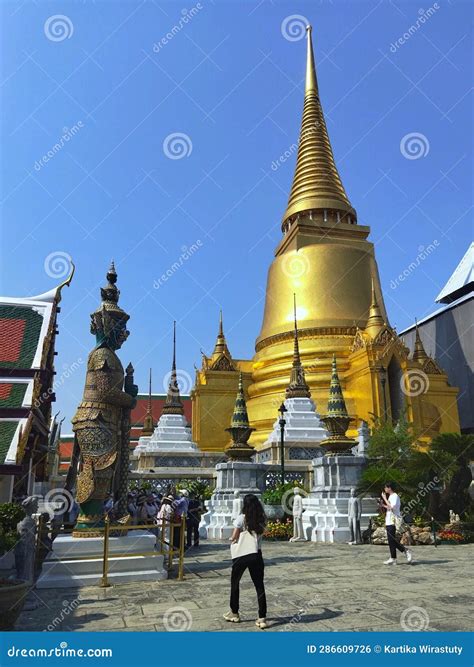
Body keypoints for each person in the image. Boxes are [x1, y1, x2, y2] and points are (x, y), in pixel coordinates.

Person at [224, 493, 267, 629]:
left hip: (242, 555)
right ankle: (261, 617)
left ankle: (234, 612)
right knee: (259, 585)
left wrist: (231, 540)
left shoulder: (242, 518)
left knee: (235, 583)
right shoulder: (262, 519)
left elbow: (235, 537)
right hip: (256, 554)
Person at [381, 482, 413, 565]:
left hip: (393, 520)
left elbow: (393, 507)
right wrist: (382, 505)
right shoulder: (391, 496)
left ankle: (404, 551)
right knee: (391, 540)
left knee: (392, 539)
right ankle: (393, 558)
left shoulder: (395, 496)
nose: (385, 489)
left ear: (389, 488)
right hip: (389, 520)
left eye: (386, 487)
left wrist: (384, 498)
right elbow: (389, 507)